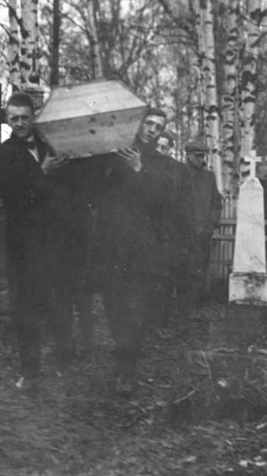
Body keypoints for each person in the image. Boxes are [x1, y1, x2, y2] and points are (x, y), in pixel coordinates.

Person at [86, 107, 194, 396]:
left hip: (144, 253)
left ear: (161, 133)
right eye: (148, 124)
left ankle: (127, 370)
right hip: (113, 249)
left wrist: (139, 169)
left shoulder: (164, 165)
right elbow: (97, 192)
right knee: (114, 307)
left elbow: (167, 200)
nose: (151, 130)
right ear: (138, 125)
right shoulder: (116, 155)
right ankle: (125, 355)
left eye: (157, 127)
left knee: (136, 310)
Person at [0, 92, 83, 389]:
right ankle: (30, 372)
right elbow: (13, 198)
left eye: (25, 117)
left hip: (55, 245)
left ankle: (64, 366)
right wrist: (42, 174)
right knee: (25, 312)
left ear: (34, 117)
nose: (19, 123)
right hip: (23, 249)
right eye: (13, 118)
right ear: (7, 120)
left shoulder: (54, 147)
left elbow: (68, 192)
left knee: (60, 306)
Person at [181, 139, 223, 313]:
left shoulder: (208, 176)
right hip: (182, 232)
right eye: (196, 156)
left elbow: (216, 203)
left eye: (202, 156)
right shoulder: (179, 174)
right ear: (188, 155)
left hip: (202, 233)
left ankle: (194, 308)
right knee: (182, 269)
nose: (200, 159)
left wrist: (211, 225)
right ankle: (181, 307)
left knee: (199, 270)